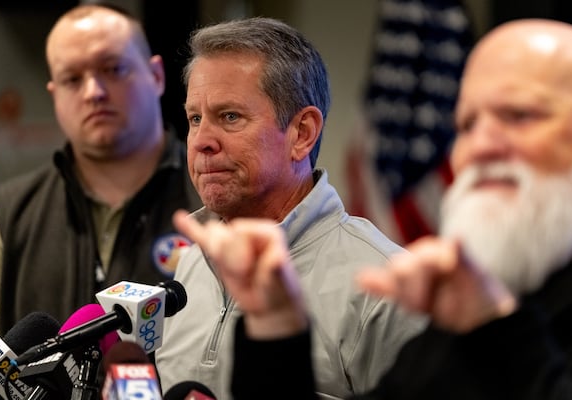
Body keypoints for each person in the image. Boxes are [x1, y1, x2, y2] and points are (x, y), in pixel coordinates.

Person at [171, 18, 572, 399]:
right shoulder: (473, 307)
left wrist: (499, 329)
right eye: (467, 125)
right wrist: (277, 325)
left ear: (302, 133)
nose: (480, 147)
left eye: (520, 115)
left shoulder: (402, 288)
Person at [154, 17, 427, 400]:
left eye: (229, 117)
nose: (201, 141)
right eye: (195, 118)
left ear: (302, 133)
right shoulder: (190, 263)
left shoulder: (382, 288)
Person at [0, 4, 201, 337]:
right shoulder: (4, 214)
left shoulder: (214, 199)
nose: (94, 93)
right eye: (72, 79)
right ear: (55, 96)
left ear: (157, 75)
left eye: (113, 69)